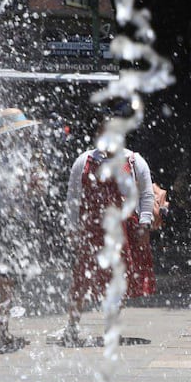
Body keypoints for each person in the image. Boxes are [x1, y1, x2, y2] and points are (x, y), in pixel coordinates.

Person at [62, 117, 158, 345]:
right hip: (91, 231)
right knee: (81, 280)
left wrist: (145, 224)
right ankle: (72, 326)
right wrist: (72, 228)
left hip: (124, 232)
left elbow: (146, 195)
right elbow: (73, 198)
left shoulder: (134, 161)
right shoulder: (84, 161)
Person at [0, 108, 49, 349]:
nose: (23, 135)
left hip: (14, 225)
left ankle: (2, 331)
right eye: (19, 131)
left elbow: (38, 191)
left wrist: (35, 184)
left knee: (6, 281)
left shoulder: (24, 155)